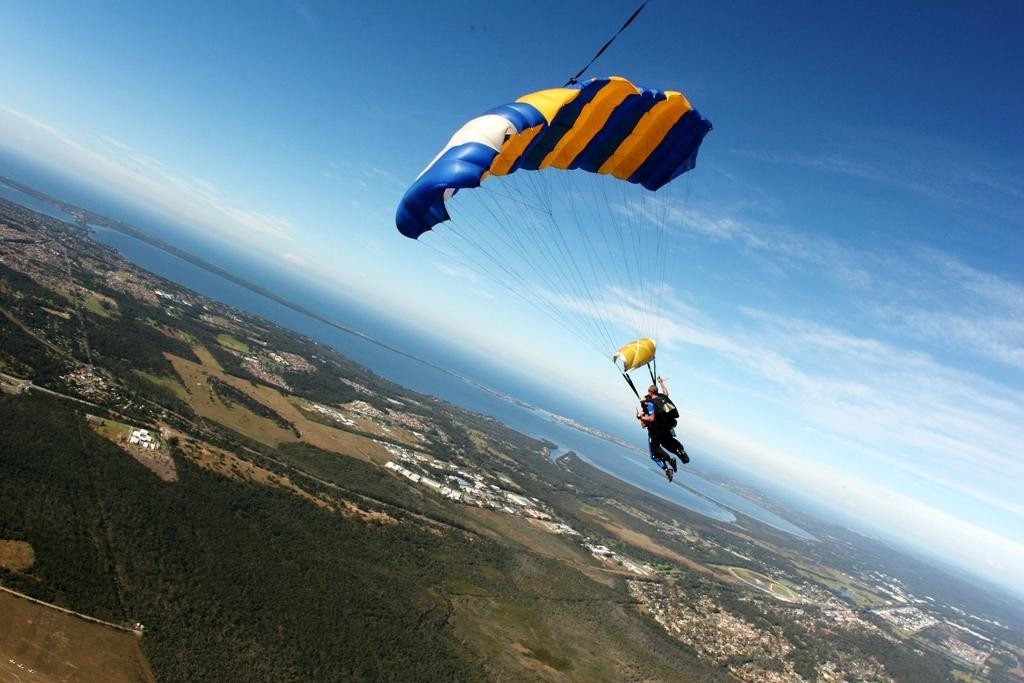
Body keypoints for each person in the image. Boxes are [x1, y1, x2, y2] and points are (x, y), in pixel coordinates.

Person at [637, 376, 689, 481]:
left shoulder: (651, 404)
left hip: (657, 429)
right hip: (668, 425)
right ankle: (679, 451)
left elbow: (649, 420)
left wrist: (641, 417)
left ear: (650, 392)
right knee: (667, 443)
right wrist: (661, 383)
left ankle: (670, 461)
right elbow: (666, 393)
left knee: (655, 450)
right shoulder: (662, 397)